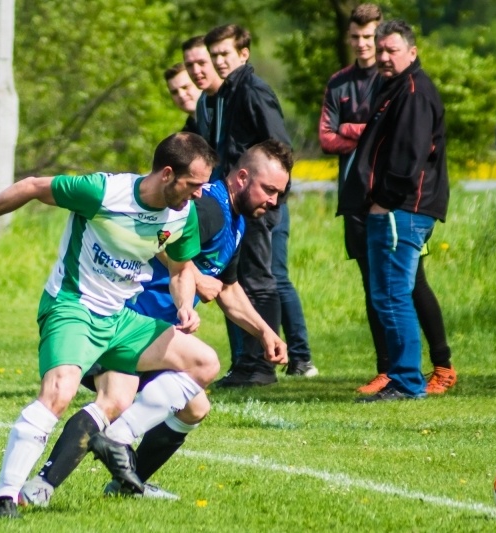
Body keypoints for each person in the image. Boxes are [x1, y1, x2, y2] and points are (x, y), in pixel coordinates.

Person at [0, 132, 222, 518]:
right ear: (168, 174)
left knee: (205, 363)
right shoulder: (103, 191)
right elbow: (34, 186)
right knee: (60, 391)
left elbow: (182, 269)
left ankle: (117, 438)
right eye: (195, 184)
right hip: (73, 307)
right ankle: (4, 497)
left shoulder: (183, 213)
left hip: (120, 318)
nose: (201, 193)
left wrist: (185, 306)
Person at [18, 140, 293, 506]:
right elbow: (157, 237)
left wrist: (264, 332)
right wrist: (193, 274)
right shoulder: (208, 207)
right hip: (132, 318)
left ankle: (122, 482)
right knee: (114, 401)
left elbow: (226, 288)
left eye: (279, 193)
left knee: (193, 408)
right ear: (243, 177)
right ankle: (40, 486)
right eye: (269, 190)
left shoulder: (236, 220)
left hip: (160, 332)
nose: (274, 201)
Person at [320, 4, 456, 396]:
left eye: (391, 50)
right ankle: (400, 375)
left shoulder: (413, 91)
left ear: (412, 52)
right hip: (392, 208)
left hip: (402, 209)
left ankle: (407, 380)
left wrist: (384, 201)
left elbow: (408, 158)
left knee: (395, 294)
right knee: (386, 293)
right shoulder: (393, 87)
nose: (382, 57)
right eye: (380, 50)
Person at [202, 24, 318, 386]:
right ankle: (245, 363)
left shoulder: (253, 90)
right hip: (233, 201)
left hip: (255, 203)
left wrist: (272, 200)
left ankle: (261, 366)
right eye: (215, 54)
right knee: (236, 280)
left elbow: (279, 148)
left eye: (226, 53)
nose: (220, 61)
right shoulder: (224, 94)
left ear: (243, 53)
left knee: (260, 281)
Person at [163, 62, 201, 133]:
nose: (181, 95)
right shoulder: (185, 137)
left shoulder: (223, 114)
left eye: (185, 87)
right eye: (174, 92)